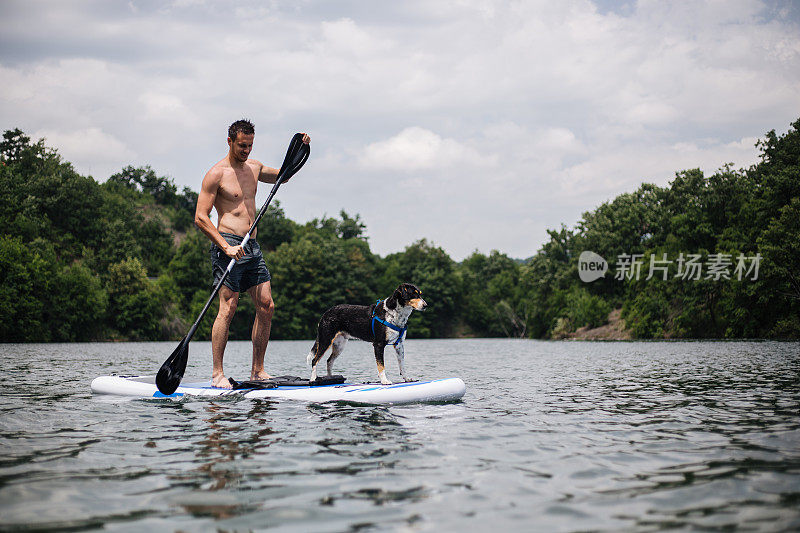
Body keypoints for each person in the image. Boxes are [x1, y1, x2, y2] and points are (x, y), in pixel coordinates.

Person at [194, 119, 310, 388]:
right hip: (228, 246)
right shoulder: (216, 174)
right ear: (230, 142)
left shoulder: (254, 168)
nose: (246, 150)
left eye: (250, 146)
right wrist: (225, 246)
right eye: (242, 146)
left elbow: (285, 175)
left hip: (252, 247)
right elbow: (201, 217)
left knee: (267, 306)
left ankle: (257, 370)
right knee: (228, 308)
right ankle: (217, 374)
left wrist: (300, 149)